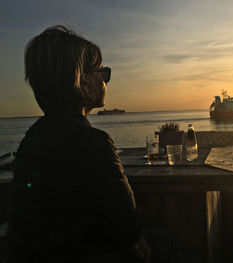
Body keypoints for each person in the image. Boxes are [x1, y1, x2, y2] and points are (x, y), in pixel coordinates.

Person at [4, 25, 150, 263]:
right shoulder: (94, 143)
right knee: (165, 241)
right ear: (82, 82)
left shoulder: (33, 138)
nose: (105, 79)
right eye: (101, 72)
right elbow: (129, 229)